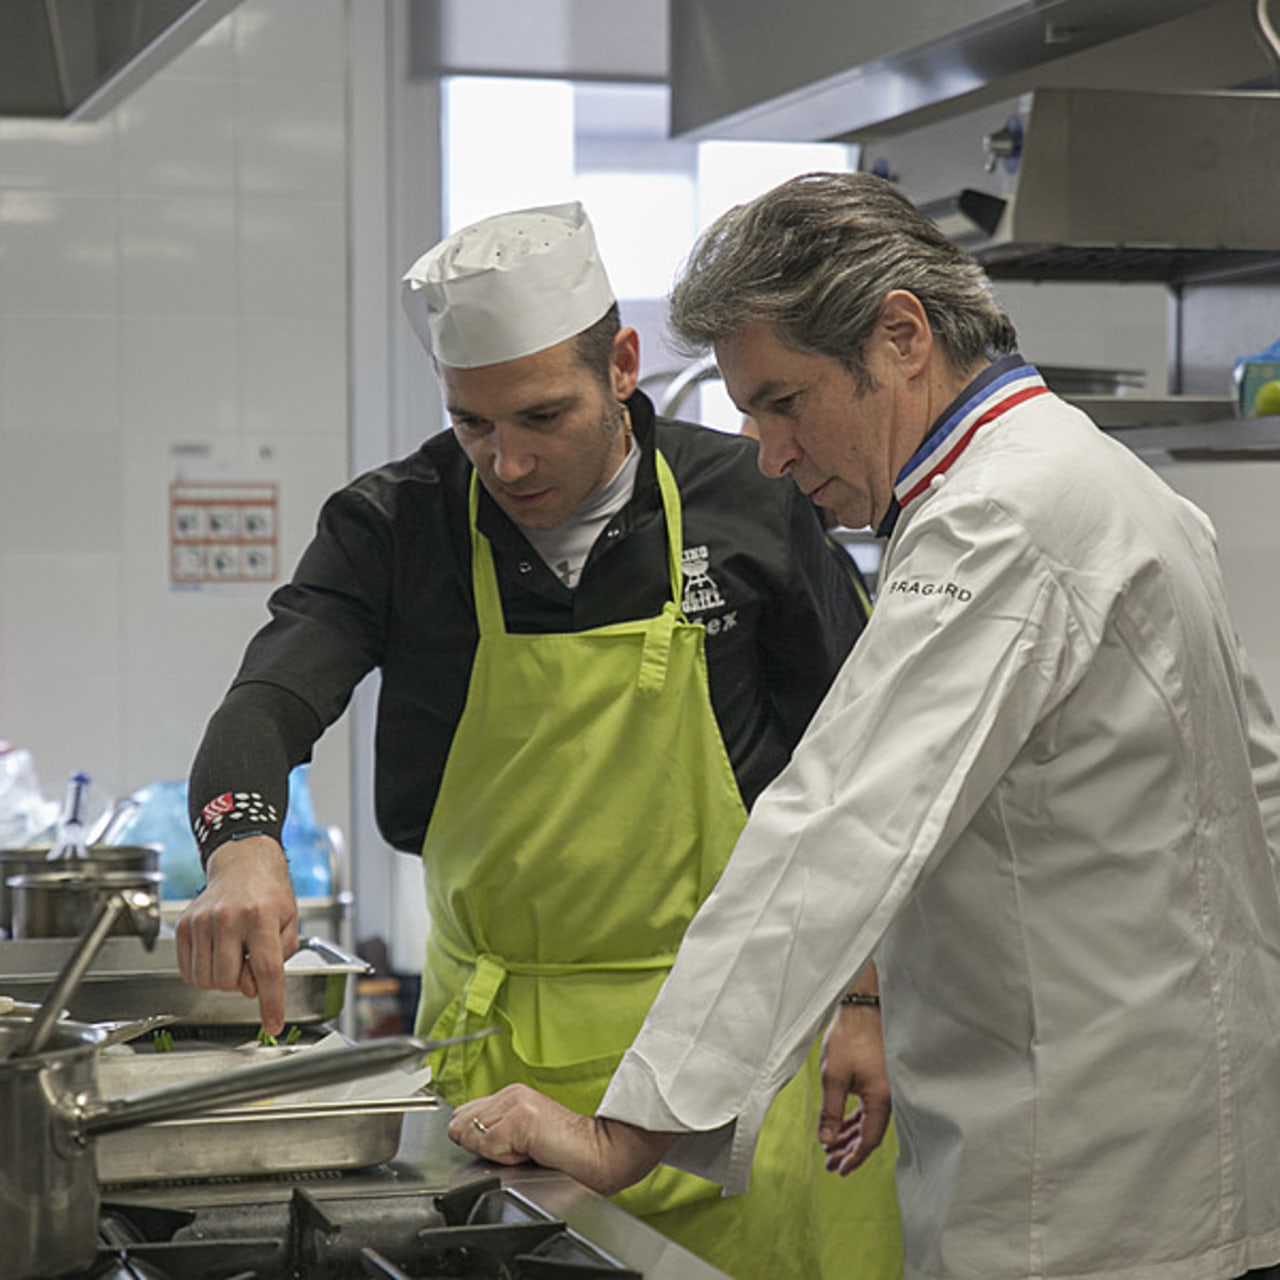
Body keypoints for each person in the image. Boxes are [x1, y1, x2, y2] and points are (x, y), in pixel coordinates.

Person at [446, 173, 1280, 1280]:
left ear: (898, 334)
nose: (769, 453)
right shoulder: (1094, 478)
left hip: (1079, 1200)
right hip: (1169, 1161)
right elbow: (1255, 785)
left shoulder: (1000, 517)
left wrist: (630, 1129)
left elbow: (837, 820)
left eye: (783, 402)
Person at [173, 201, 902, 1279]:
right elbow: (269, 695)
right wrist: (241, 841)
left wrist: (861, 996)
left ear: (619, 364)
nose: (505, 462)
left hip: (734, 1045)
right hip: (500, 1066)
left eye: (540, 417)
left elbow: (862, 755)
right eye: (472, 424)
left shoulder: (749, 499)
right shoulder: (397, 526)